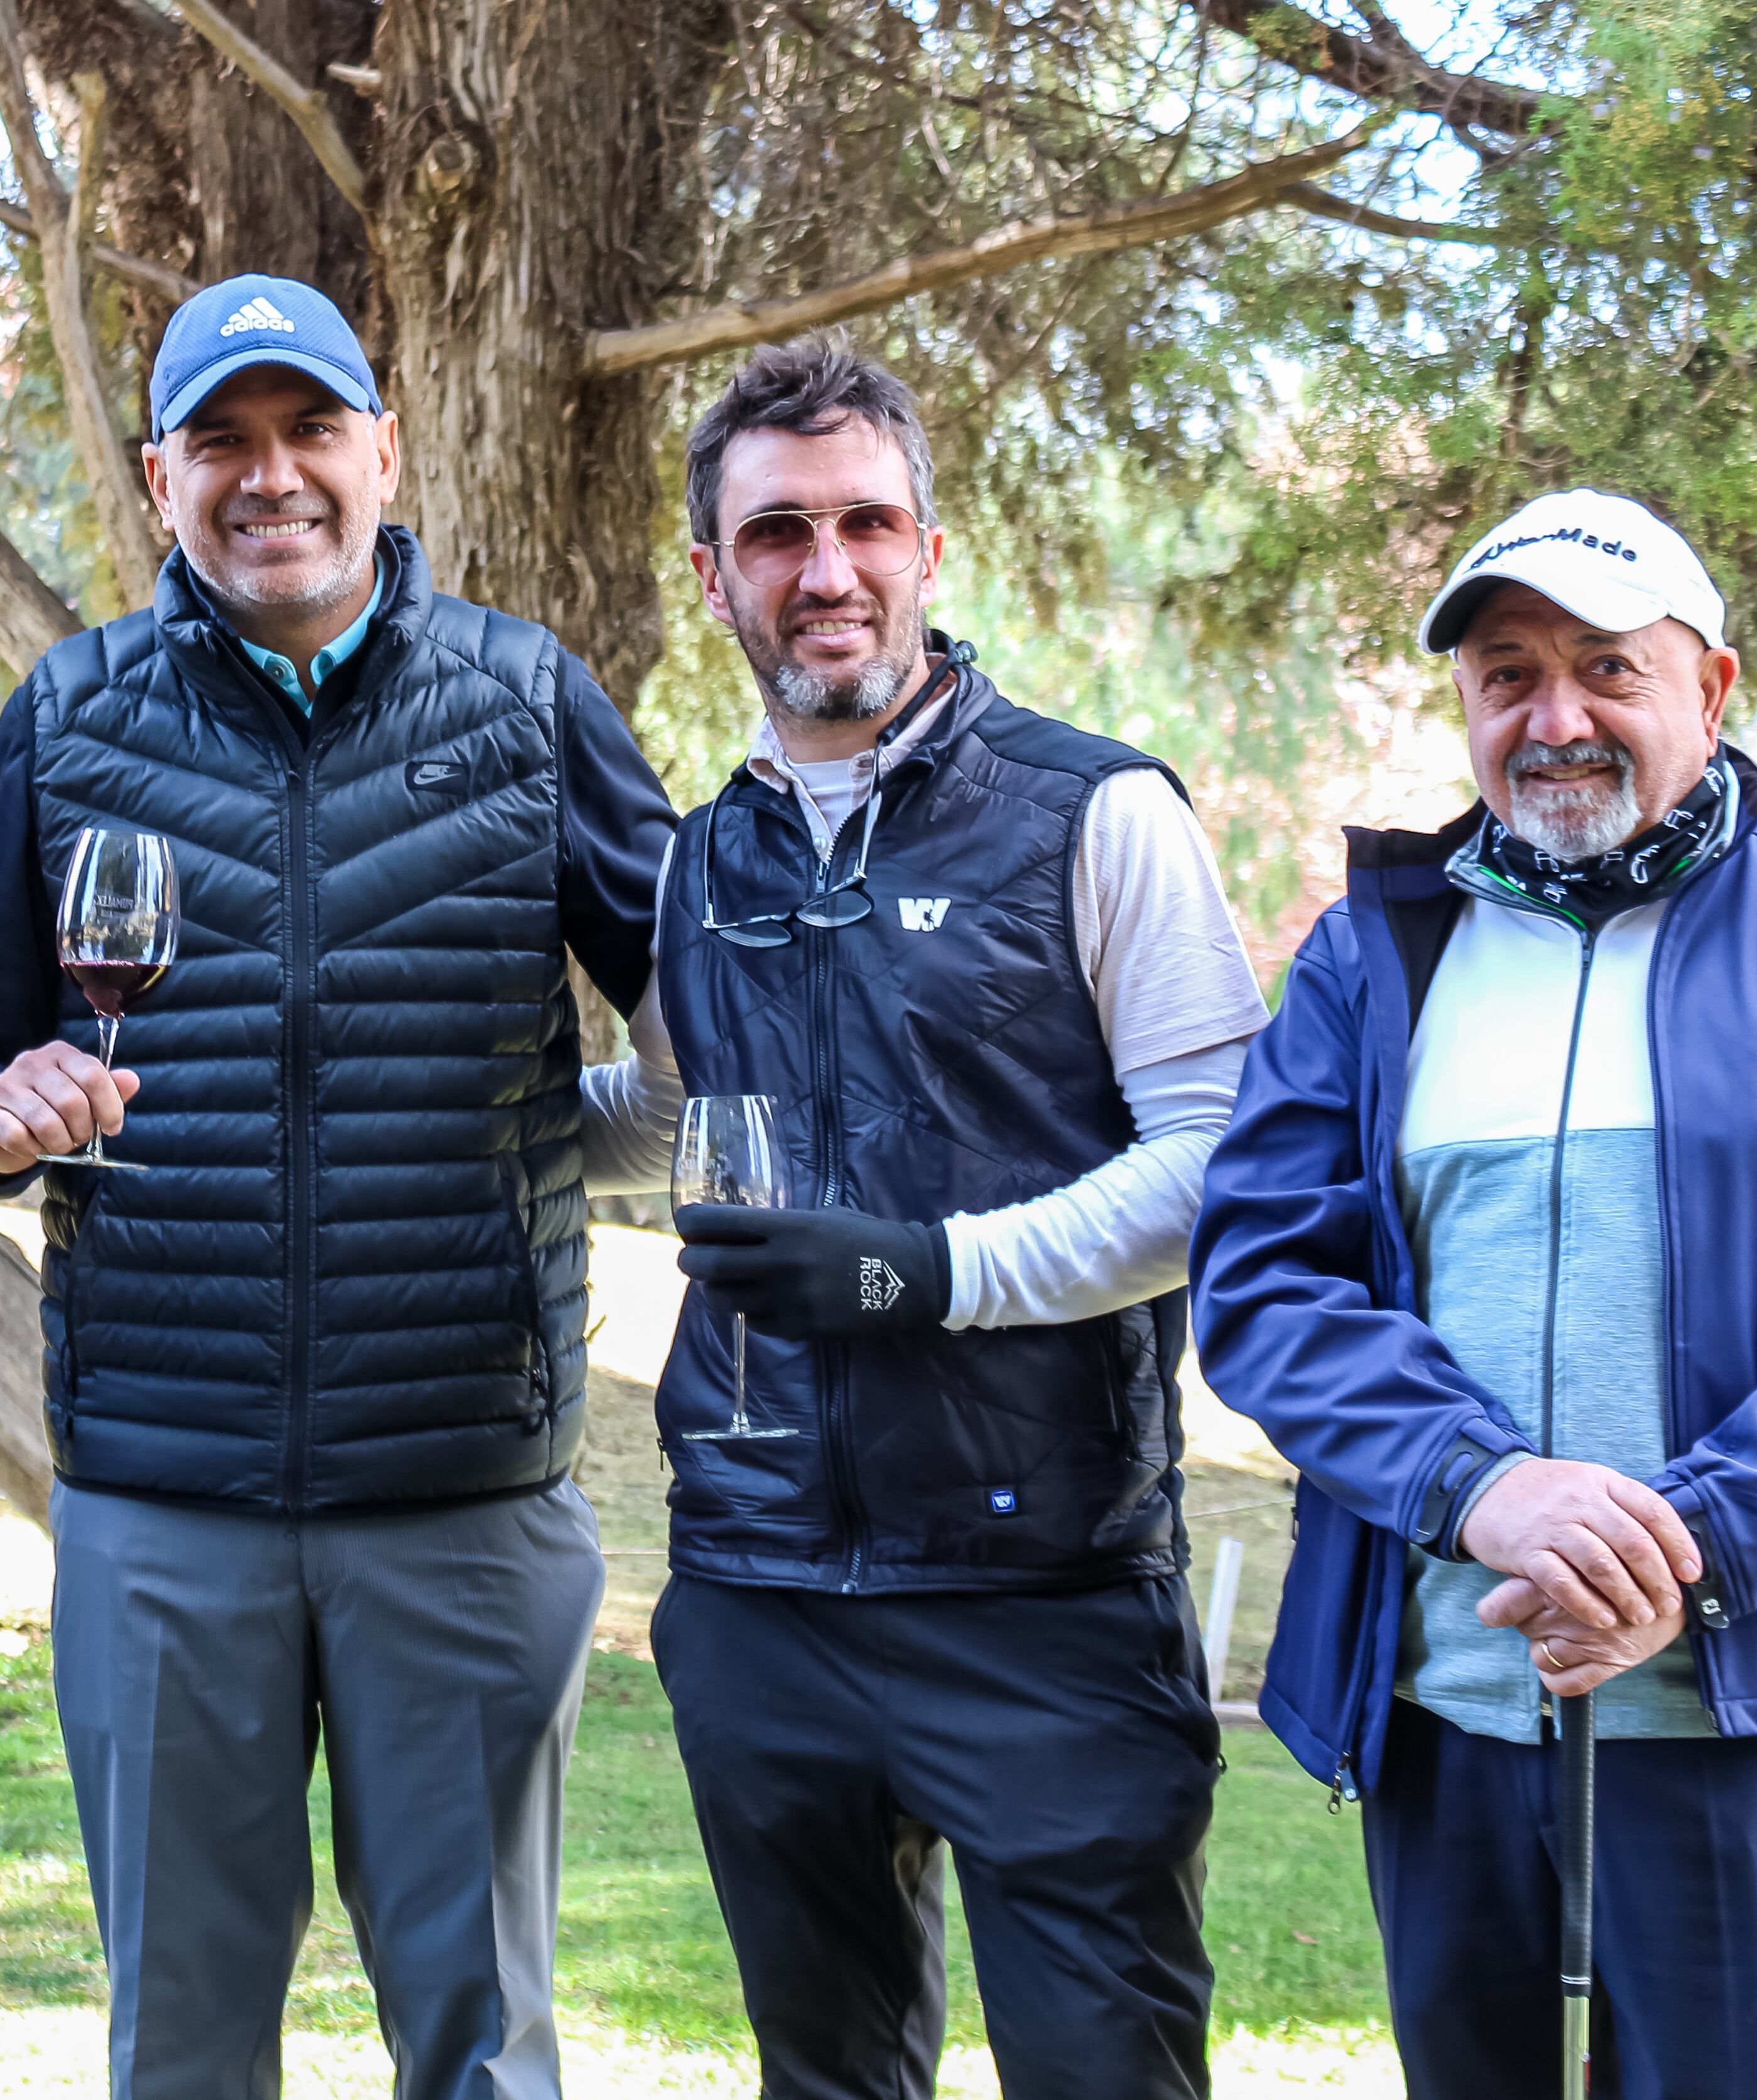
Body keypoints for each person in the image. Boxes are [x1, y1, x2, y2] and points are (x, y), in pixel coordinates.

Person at [0, 273, 673, 2100]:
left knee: (483, 2046)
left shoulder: (528, 701)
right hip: (166, 1505)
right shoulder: (68, 717)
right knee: (181, 2046)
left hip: (464, 1496)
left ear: (383, 452)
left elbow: (715, 993)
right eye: (223, 441)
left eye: (311, 429)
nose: (272, 478)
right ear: (159, 473)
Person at [1191, 488, 1757, 2097]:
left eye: (1604, 670)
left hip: (1744, 1717)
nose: (1553, 717)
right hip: (1450, 1706)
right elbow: (1265, 1276)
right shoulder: (1375, 954)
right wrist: (1483, 1485)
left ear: (1709, 690)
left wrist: (1683, 1543)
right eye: (1507, 672)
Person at [578, 334, 1271, 2098]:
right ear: (712, 571)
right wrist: (427, 1116)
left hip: (1044, 1592)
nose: (831, 571)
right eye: (780, 531)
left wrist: (930, 1271)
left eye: (869, 523)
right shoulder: (695, 858)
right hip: (756, 1592)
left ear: (930, 549)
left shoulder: (1098, 810)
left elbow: (1218, 1157)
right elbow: (667, 1111)